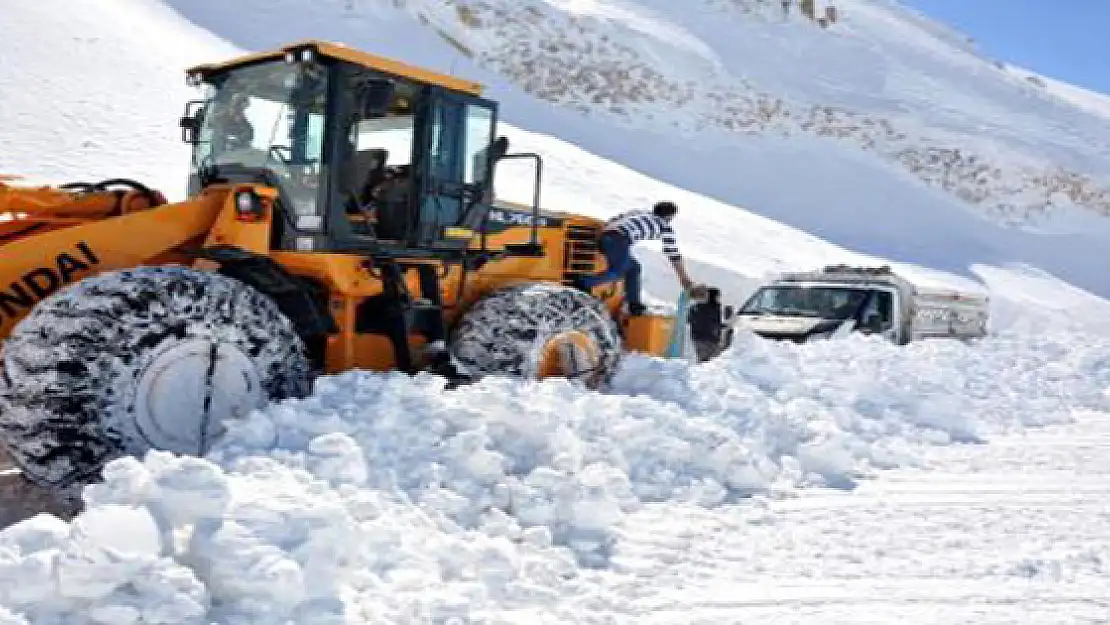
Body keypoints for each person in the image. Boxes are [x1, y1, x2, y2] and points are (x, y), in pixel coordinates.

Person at [576, 201, 696, 315]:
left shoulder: (638, 213)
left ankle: (634, 304)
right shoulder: (664, 227)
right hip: (619, 239)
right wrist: (684, 279)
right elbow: (673, 254)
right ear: (670, 216)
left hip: (607, 236)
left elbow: (614, 219)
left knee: (634, 268)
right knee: (618, 272)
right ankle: (584, 282)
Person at [688, 287, 724, 362]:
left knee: (704, 362)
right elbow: (714, 323)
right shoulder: (714, 308)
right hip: (710, 339)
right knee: (712, 363)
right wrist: (722, 327)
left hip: (697, 338)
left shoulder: (695, 307)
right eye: (718, 296)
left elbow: (689, 320)